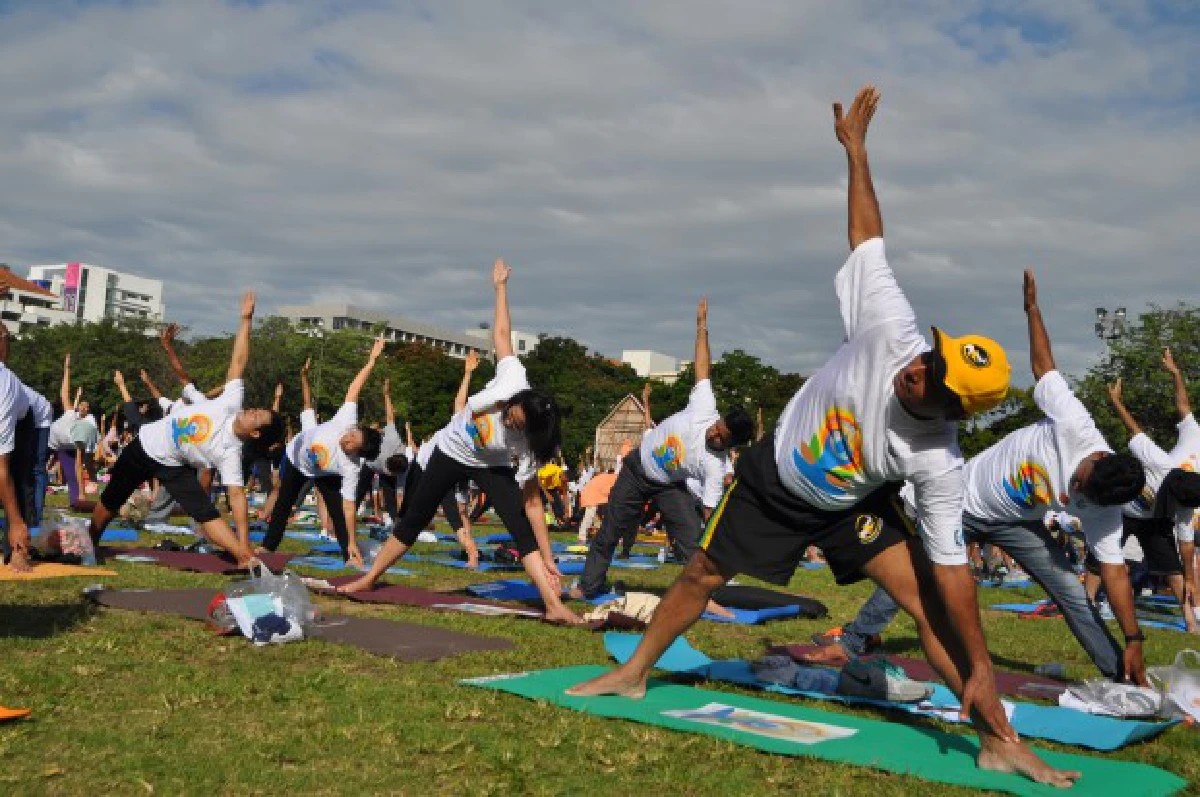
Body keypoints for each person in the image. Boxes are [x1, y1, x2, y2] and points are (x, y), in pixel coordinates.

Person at [568, 85, 1083, 788]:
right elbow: (867, 236)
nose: (917, 370)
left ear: (953, 411)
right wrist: (857, 152)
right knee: (700, 574)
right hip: (773, 483)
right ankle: (632, 673)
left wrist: (985, 663)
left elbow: (953, 571)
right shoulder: (890, 329)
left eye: (933, 379)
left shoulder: (937, 460)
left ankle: (997, 738)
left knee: (927, 603)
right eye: (930, 357)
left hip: (849, 505)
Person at [805, 272, 1153, 677]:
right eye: (1080, 481)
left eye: (1084, 496)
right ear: (1097, 457)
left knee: (1071, 592)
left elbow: (1114, 572)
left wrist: (1134, 638)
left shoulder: (1106, 509)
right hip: (964, 503)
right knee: (922, 572)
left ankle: (1120, 675)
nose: (1074, 490)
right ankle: (852, 642)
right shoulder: (1075, 424)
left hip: (1018, 525)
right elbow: (1045, 367)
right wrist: (1032, 310)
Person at [340, 259, 582, 624]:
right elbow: (502, 334)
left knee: (520, 529)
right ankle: (370, 578)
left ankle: (553, 606)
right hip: (449, 452)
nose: (507, 420)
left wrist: (548, 557)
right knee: (414, 517)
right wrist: (500, 288)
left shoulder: (529, 447)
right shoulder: (514, 379)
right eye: (510, 413)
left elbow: (533, 505)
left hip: (491, 467)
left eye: (515, 424)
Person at [569, 298, 753, 601]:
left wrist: (720, 543)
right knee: (610, 531)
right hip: (636, 471)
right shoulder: (705, 406)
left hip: (668, 486)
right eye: (716, 427)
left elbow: (710, 512)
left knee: (692, 539)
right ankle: (588, 586)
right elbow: (702, 367)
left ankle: (706, 593)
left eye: (721, 437)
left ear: (730, 444)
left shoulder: (715, 465)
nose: (713, 433)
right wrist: (702, 326)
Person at [88, 292, 283, 565]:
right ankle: (90, 543)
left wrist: (245, 543)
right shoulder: (231, 402)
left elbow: (237, 497)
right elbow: (239, 361)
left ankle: (241, 556)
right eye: (255, 409)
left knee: (206, 513)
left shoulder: (229, 452)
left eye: (257, 416)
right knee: (111, 499)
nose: (251, 411)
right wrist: (246, 320)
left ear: (255, 434)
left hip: (172, 465)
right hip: (144, 445)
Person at [259, 342, 386, 566]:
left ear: (357, 453)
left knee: (337, 512)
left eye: (352, 444)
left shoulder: (351, 467)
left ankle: (350, 554)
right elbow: (354, 388)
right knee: (283, 505)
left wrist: (353, 541)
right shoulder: (346, 420)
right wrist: (371, 361)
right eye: (352, 435)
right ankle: (268, 546)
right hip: (297, 461)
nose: (347, 439)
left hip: (326, 473)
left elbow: (349, 508)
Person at [1107, 349, 1199, 633]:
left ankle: (1191, 619)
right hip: (1127, 508)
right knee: (1103, 559)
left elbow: (1186, 543)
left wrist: (1190, 576)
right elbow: (1181, 406)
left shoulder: (1187, 503)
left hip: (1160, 517)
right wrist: (1176, 374)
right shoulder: (1190, 439)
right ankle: (1087, 604)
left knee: (1173, 569)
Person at [393, 355, 484, 568]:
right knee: (413, 510)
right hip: (423, 465)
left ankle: (471, 553)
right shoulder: (464, 422)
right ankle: (471, 552)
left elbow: (459, 402)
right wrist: (467, 373)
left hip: (438, 468)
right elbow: (459, 402)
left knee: (451, 515)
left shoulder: (472, 433)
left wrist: (468, 373)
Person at [353, 378, 409, 526]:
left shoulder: (397, 445)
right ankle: (350, 514)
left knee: (390, 495)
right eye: (390, 472)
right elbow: (390, 417)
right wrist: (386, 395)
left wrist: (387, 395)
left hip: (380, 463)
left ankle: (396, 521)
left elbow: (390, 417)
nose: (390, 474)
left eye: (392, 474)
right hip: (370, 465)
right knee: (360, 490)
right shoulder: (382, 453)